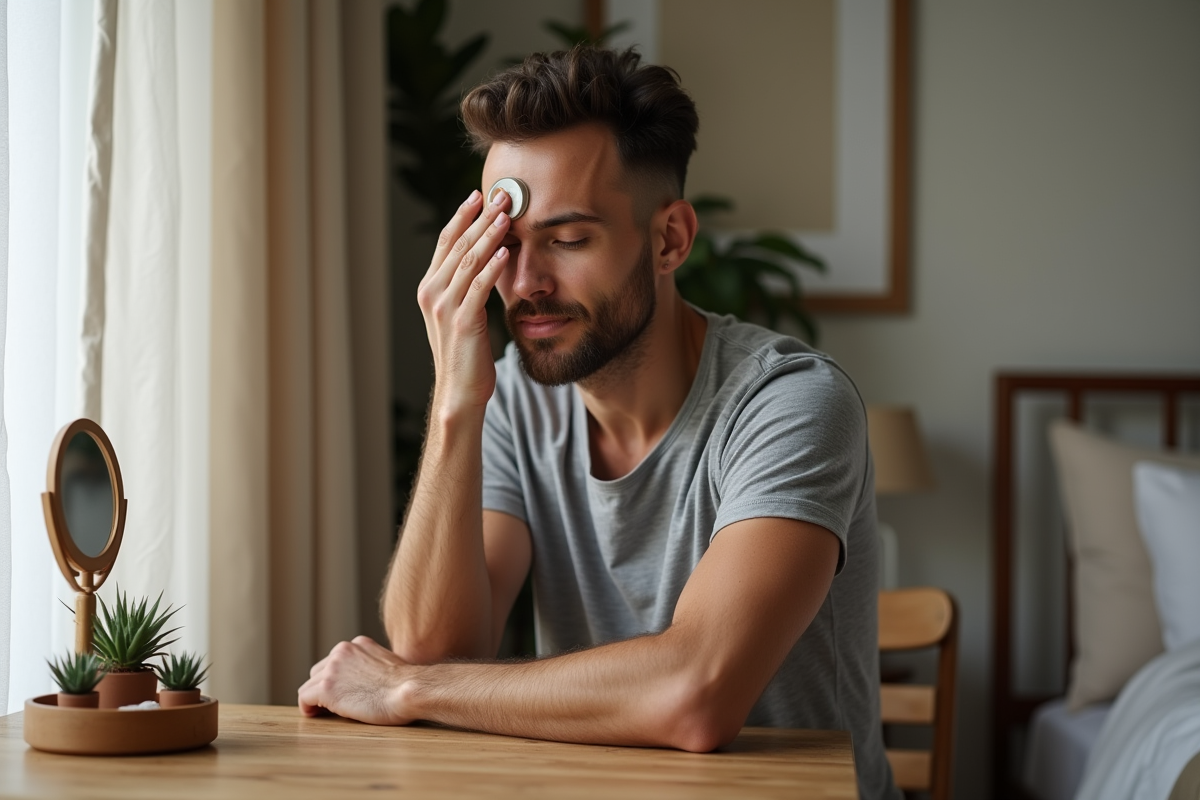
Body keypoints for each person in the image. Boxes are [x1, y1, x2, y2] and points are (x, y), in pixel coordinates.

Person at [299, 46, 897, 799]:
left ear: (669, 239)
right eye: (504, 245)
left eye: (568, 240)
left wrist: (405, 690)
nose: (524, 283)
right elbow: (436, 646)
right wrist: (455, 400)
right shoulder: (514, 399)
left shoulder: (790, 403)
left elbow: (695, 695)